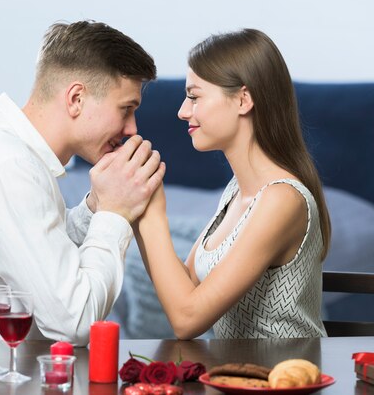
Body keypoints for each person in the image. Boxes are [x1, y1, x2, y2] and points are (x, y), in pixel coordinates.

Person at [0, 20, 165, 346]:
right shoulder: (9, 167)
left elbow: (41, 249)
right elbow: (74, 321)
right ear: (76, 98)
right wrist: (115, 214)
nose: (132, 128)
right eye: (126, 109)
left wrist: (95, 207)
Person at [134, 28, 331, 339]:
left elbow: (187, 319)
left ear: (243, 100)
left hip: (285, 379)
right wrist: (136, 207)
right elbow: (185, 286)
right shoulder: (235, 192)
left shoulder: (283, 200)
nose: (183, 112)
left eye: (194, 96)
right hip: (235, 377)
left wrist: (153, 215)